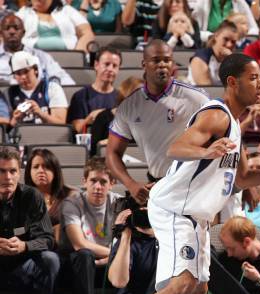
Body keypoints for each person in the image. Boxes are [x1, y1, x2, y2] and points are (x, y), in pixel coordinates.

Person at [91, 53, 260, 294]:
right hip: (178, 208)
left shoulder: (234, 128)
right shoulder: (215, 114)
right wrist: (205, 151)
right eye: (253, 78)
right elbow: (177, 147)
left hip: (196, 216)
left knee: (197, 288)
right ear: (233, 82)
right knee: (182, 283)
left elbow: (242, 179)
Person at [106, 40, 210, 204]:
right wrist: (131, 184)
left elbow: (225, 130)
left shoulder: (196, 98)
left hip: (191, 182)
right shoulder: (129, 106)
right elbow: (112, 153)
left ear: (173, 64)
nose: (162, 65)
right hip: (157, 182)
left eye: (167, 60)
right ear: (144, 64)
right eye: (156, 60)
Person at [0, 147, 60, 294]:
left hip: (23, 266)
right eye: (2, 171)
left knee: (50, 260)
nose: (8, 177)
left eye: (13, 171)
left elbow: (48, 239)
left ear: (19, 171)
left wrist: (24, 245)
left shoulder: (31, 196)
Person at [58, 157, 119, 294]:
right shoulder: (72, 203)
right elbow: (79, 243)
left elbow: (127, 244)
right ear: (84, 181)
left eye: (103, 182)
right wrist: (113, 254)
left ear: (112, 183)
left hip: (110, 265)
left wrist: (112, 258)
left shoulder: (119, 203)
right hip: (80, 267)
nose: (98, 187)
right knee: (83, 256)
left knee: (139, 257)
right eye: (93, 181)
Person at [0, 14, 74, 85]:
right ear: (1, 33)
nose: (12, 32)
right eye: (7, 28)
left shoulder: (40, 56)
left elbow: (63, 78)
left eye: (16, 28)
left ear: (23, 33)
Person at [24, 149, 77, 242]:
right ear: (29, 171)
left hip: (65, 248)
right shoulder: (23, 197)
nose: (40, 171)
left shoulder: (70, 195)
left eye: (47, 167)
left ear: (55, 171)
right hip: (36, 249)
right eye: (36, 167)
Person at [67, 47, 121, 136]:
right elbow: (77, 130)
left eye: (115, 66)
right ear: (96, 65)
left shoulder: (121, 97)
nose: (110, 69)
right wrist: (89, 119)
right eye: (106, 64)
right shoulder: (80, 96)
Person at [6, 50, 68, 127]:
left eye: (26, 71)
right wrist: (16, 119)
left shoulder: (52, 88)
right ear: (14, 76)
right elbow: (7, 129)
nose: (23, 77)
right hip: (22, 137)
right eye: (18, 73)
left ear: (35, 70)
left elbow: (61, 124)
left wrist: (40, 113)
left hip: (49, 136)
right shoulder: (10, 93)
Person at [16, 0, 95, 52]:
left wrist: (78, 54)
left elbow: (87, 32)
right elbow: (8, 31)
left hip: (69, 57)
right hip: (33, 60)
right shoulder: (24, 12)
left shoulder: (67, 10)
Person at [189, 21, 238, 86]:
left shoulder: (231, 60)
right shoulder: (200, 58)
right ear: (216, 36)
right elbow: (208, 90)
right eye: (226, 39)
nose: (229, 45)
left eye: (233, 42)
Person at [190, 0, 258, 43]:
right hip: (208, 43)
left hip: (233, 42)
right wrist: (214, 36)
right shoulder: (202, 3)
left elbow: (255, 30)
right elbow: (195, 32)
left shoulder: (240, 2)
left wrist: (239, 34)